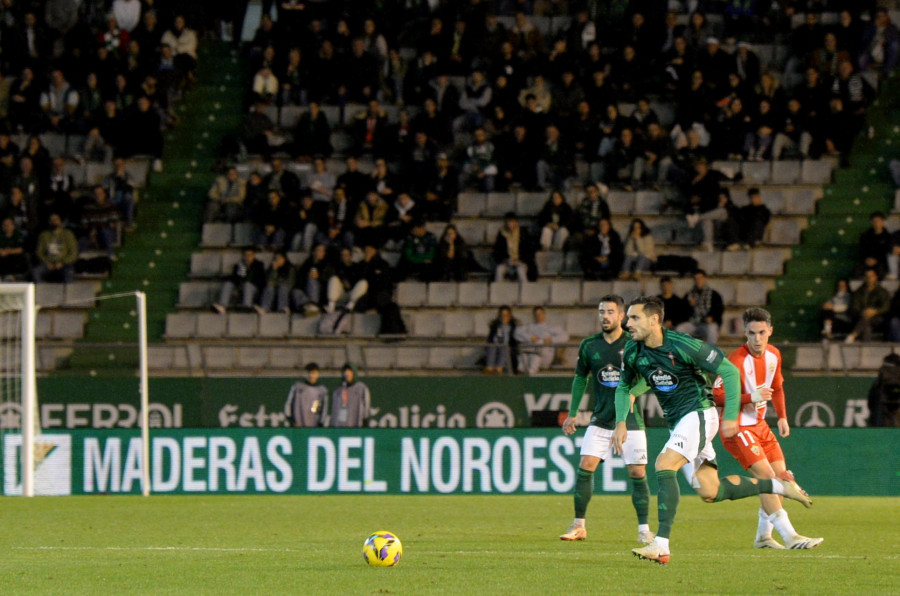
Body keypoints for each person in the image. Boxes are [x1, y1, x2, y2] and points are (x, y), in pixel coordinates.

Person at [612, 296, 812, 565]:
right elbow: (624, 387)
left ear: (654, 319)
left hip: (699, 414)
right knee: (710, 492)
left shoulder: (683, 344)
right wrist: (621, 422)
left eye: (634, 318)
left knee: (663, 465)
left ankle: (660, 544)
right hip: (679, 423)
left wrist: (730, 416)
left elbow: (728, 371)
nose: (627, 323)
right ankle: (778, 485)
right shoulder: (635, 351)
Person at [712, 308, 823, 550]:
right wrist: (750, 396)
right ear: (745, 332)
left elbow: (778, 387)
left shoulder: (774, 354)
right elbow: (716, 395)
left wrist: (782, 416)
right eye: (752, 333)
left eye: (762, 333)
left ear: (770, 331)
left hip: (761, 427)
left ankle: (763, 537)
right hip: (736, 427)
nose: (757, 339)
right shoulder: (735, 361)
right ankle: (791, 536)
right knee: (767, 478)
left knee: (780, 480)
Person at [560, 295, 653, 544]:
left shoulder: (635, 343)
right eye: (602, 312)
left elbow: (649, 376)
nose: (605, 316)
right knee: (586, 465)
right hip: (601, 418)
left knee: (637, 470)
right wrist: (572, 413)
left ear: (621, 316)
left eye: (610, 312)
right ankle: (579, 525)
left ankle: (644, 529)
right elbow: (581, 378)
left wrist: (633, 393)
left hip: (631, 420)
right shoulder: (589, 345)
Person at [514, 306, 569, 375]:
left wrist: (551, 339)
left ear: (544, 314)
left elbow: (565, 336)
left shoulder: (550, 327)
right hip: (529, 353)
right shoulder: (529, 326)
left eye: (540, 314)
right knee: (524, 353)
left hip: (544, 355)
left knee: (535, 353)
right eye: (536, 314)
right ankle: (522, 371)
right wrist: (530, 337)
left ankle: (530, 373)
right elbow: (517, 333)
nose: (539, 316)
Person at [213, 248, 266, 314]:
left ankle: (247, 306)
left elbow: (261, 280)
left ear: (253, 256)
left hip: (253, 289)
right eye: (246, 255)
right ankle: (222, 305)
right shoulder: (239, 266)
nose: (247, 257)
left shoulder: (259, 265)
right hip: (240, 288)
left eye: (250, 255)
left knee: (247, 284)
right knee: (228, 284)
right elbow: (234, 279)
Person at [844, 268, 891, 343]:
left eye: (871, 276)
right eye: (867, 276)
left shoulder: (882, 292)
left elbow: (886, 306)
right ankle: (865, 346)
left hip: (878, 317)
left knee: (866, 319)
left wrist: (875, 311)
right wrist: (863, 312)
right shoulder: (858, 292)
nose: (869, 278)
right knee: (866, 324)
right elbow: (854, 307)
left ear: (875, 277)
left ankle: (853, 335)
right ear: (864, 278)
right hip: (861, 317)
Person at [677, 269, 723, 344]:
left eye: (700, 278)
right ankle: (683, 352)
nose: (698, 280)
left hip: (706, 324)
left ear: (705, 279)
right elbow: (682, 313)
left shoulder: (713, 294)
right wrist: (689, 306)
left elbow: (719, 310)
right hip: (693, 323)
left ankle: (711, 352)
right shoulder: (689, 295)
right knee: (680, 329)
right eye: (696, 278)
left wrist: (712, 317)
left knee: (712, 329)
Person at [32, 213, 78, 283]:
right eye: (52, 220)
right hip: (48, 264)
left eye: (56, 219)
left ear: (60, 221)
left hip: (64, 264)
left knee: (69, 272)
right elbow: (39, 252)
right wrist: (47, 262)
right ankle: (41, 292)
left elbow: (73, 253)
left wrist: (62, 262)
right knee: (36, 272)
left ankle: (68, 293)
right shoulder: (44, 235)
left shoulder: (68, 234)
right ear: (49, 222)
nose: (54, 221)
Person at [493, 212, 535, 282]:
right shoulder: (502, 234)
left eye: (512, 222)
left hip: (521, 262)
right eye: (508, 222)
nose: (510, 225)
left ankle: (526, 291)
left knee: (521, 271)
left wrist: (520, 261)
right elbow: (497, 252)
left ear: (516, 222)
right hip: (507, 263)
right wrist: (506, 260)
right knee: (499, 269)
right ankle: (498, 291)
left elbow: (529, 251)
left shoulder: (523, 233)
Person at [285, 362, 329, 427]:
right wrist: (291, 420)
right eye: (310, 373)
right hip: (298, 427)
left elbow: (323, 409)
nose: (311, 375)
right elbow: (288, 404)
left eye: (314, 373)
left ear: (318, 374)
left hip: (313, 428)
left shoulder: (321, 391)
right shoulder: (297, 387)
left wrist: (320, 424)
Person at [330, 363, 370, 428]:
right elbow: (335, 411)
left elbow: (366, 405)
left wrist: (365, 421)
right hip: (341, 427)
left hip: (356, 425)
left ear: (354, 373)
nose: (347, 374)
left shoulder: (361, 388)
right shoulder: (338, 391)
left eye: (349, 371)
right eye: (345, 372)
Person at [484, 305, 518, 375]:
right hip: (496, 347)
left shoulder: (514, 327)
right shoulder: (495, 326)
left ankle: (499, 368)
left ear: (510, 316)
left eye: (506, 315)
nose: (503, 317)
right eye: (502, 315)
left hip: (508, 349)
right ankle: (490, 367)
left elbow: (514, 342)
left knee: (504, 347)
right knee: (492, 346)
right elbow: (490, 340)